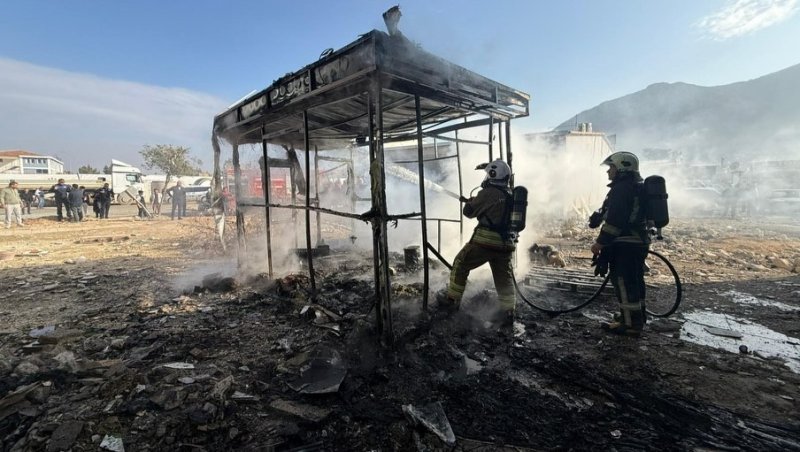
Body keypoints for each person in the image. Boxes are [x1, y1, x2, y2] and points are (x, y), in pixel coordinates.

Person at [437, 160, 517, 327]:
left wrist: (472, 202)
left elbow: (469, 212)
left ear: (493, 175)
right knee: (504, 278)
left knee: (460, 263)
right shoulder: (509, 194)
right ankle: (508, 312)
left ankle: (452, 302)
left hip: (485, 242)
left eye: (488, 173)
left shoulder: (488, 192)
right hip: (506, 245)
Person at [589, 151, 650, 337]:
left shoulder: (622, 189)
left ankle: (630, 324)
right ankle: (634, 317)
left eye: (611, 168)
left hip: (626, 243)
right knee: (635, 281)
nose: (609, 172)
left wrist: (599, 243)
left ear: (622, 168)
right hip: (637, 241)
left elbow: (615, 222)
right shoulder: (635, 186)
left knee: (623, 282)